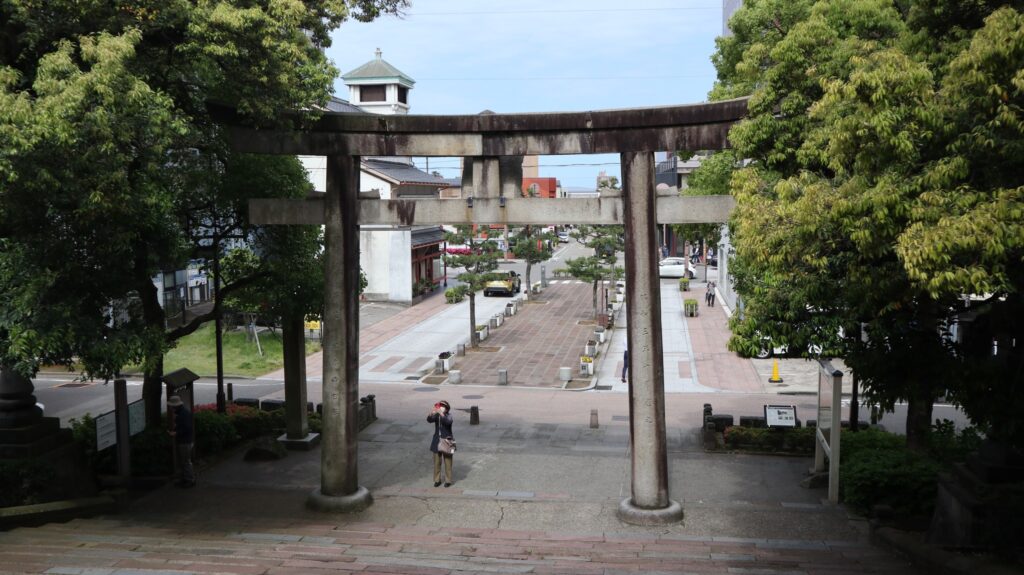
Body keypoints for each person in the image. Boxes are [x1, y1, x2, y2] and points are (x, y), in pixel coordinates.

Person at [167, 396, 195, 488]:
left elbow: (186, 428)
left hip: (185, 441)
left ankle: (189, 480)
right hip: (186, 440)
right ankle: (186, 478)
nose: (171, 408)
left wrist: (176, 433)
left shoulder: (183, 414)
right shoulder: (183, 413)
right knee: (185, 461)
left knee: (186, 461)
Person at [427, 400, 454, 487]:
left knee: (448, 462)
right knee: (436, 462)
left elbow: (448, 422)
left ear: (447, 408)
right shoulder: (437, 416)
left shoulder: (449, 416)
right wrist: (432, 413)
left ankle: (448, 480)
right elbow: (429, 420)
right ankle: (437, 480)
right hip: (437, 441)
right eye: (440, 406)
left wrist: (441, 414)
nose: (441, 407)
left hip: (447, 441)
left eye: (443, 406)